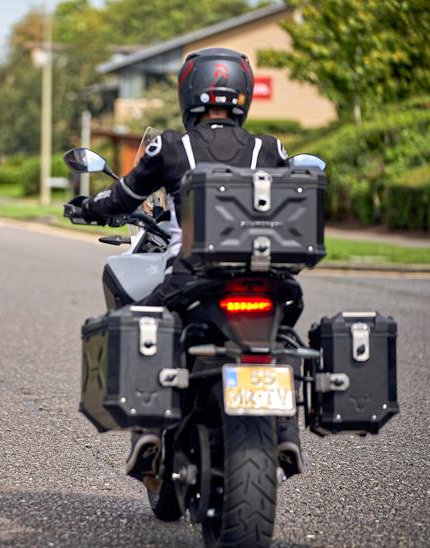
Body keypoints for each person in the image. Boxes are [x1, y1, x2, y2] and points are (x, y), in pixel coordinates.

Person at [78, 48, 302, 481]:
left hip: (192, 274)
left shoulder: (171, 145)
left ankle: (147, 432)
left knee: (144, 321)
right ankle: (286, 431)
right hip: (267, 278)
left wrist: (89, 206)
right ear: (244, 92)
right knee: (285, 336)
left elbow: (124, 195)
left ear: (189, 90)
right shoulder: (270, 148)